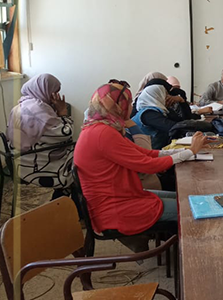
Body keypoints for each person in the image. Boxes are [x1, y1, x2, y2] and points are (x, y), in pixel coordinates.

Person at [73, 81, 206, 238]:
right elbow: (148, 165)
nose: (131, 106)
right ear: (119, 106)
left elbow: (146, 153)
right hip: (114, 209)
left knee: (185, 198)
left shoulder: (100, 127)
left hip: (117, 199)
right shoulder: (103, 133)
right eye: (129, 103)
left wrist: (185, 151)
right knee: (195, 208)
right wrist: (190, 152)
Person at [6, 74, 75, 194]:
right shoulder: (39, 109)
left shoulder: (20, 106)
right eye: (54, 92)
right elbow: (65, 133)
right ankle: (63, 196)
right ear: (43, 90)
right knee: (79, 157)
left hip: (18, 160)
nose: (55, 97)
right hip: (35, 165)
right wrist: (63, 112)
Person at [131, 85, 182, 150]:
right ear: (157, 96)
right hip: (144, 152)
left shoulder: (160, 111)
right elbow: (173, 127)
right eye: (165, 95)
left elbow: (181, 120)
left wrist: (182, 101)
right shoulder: (148, 113)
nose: (168, 97)